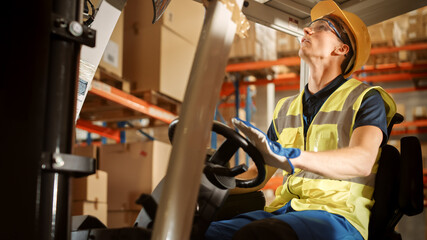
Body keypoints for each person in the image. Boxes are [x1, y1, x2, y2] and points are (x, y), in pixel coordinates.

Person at [205, 0, 396, 239]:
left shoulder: (366, 99)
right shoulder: (286, 108)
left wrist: (292, 156)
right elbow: (259, 174)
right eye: (309, 26)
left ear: (341, 49)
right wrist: (211, 180)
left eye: (321, 27)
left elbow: (362, 161)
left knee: (261, 235)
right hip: (284, 212)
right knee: (198, 231)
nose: (307, 30)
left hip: (337, 217)